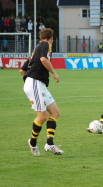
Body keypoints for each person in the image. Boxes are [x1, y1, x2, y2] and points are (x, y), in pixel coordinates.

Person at [19, 28, 64, 156]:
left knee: (55, 112)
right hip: (35, 83)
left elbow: (22, 70)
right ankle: (32, 142)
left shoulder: (36, 49)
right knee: (42, 116)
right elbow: (44, 60)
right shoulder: (45, 45)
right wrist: (54, 73)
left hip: (38, 84)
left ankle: (50, 143)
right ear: (51, 39)